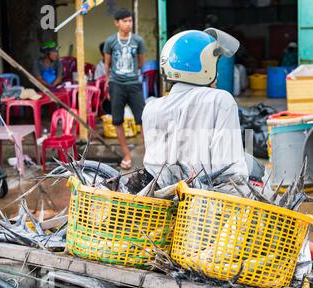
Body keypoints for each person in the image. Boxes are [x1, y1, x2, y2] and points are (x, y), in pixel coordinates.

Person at [142, 28, 249, 188]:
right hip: (208, 203)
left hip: (162, 202)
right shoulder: (220, 100)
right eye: (215, 64)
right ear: (203, 65)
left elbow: (154, 171)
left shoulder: (151, 108)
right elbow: (231, 171)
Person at [104, 8, 146, 170]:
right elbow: (107, 65)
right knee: (117, 120)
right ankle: (126, 154)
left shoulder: (138, 41)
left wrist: (131, 74)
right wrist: (110, 82)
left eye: (130, 21)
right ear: (117, 23)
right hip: (116, 84)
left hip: (134, 84)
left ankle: (147, 153)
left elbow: (141, 62)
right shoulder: (110, 42)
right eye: (125, 21)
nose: (129, 24)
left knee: (143, 119)